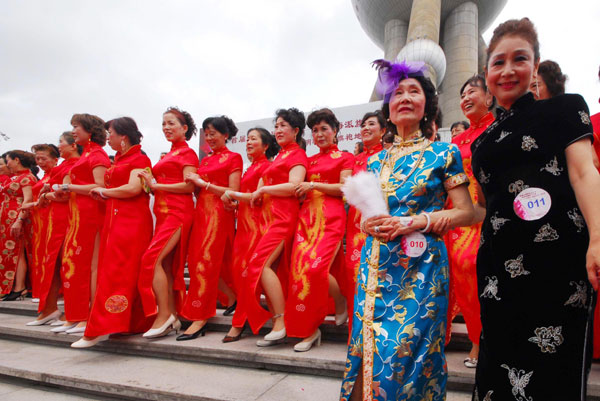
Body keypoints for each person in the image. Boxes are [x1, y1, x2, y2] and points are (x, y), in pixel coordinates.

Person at [471, 18, 600, 400]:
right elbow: (488, 206)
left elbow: (584, 174)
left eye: (519, 59)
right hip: (497, 266)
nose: (508, 70)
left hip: (557, 262)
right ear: (487, 72)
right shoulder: (483, 142)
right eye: (498, 62)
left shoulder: (564, 109)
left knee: (552, 372)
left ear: (535, 65)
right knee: (498, 366)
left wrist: (598, 238)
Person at [340, 59, 474, 401]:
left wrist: (416, 221)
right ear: (388, 106)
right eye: (397, 92)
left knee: (411, 355)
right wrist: (366, 222)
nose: (405, 97)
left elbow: (466, 212)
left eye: (414, 91)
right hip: (375, 267)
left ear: (426, 104)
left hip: (422, 269)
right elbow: (361, 218)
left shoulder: (444, 152)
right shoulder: (374, 160)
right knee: (365, 349)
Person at [72, 117, 153, 348]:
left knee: (119, 271)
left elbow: (134, 188)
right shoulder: (118, 160)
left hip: (131, 222)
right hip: (115, 219)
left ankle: (99, 328)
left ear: (123, 137)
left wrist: (104, 192)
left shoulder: (140, 158)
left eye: (111, 133)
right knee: (118, 270)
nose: (109, 137)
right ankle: (126, 323)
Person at [285, 108, 353, 352]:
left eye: (325, 129)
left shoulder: (345, 157)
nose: (320, 134)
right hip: (306, 218)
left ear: (335, 131)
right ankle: (309, 330)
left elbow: (345, 189)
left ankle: (340, 299)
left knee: (315, 270)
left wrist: (313, 183)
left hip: (331, 218)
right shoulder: (308, 159)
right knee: (299, 273)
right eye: (315, 130)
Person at [246, 108, 308, 345]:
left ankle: (280, 321)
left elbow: (294, 186)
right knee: (271, 270)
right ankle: (281, 321)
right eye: (277, 125)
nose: (279, 130)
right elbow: (262, 188)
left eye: (284, 126)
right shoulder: (280, 156)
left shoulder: (297, 155)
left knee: (259, 265)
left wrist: (263, 189)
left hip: (284, 218)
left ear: (296, 130)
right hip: (268, 219)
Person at [444, 74, 494, 368]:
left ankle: (482, 341)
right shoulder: (456, 142)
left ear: (489, 97)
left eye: (472, 92)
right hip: (459, 216)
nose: (465, 98)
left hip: (488, 214)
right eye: (461, 94)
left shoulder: (498, 129)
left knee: (474, 271)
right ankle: (475, 337)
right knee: (460, 277)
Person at [177, 116, 242, 341]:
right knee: (199, 261)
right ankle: (234, 298)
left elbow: (232, 191)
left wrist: (203, 183)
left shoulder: (234, 157)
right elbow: (197, 190)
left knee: (204, 261)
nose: (209, 137)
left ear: (226, 135)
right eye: (207, 133)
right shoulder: (204, 161)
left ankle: (199, 316)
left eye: (214, 133)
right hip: (201, 214)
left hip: (219, 214)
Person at [138, 107, 198, 338]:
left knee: (151, 260)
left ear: (184, 128)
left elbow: (189, 186)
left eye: (171, 123)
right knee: (166, 265)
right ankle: (172, 313)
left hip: (178, 213)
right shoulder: (169, 155)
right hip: (162, 214)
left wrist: (156, 185)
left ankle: (164, 314)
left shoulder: (188, 154)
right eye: (164, 124)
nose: (166, 128)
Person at [51, 114, 111, 334]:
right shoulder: (86, 154)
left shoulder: (98, 155)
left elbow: (99, 186)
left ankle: (88, 316)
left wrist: (69, 188)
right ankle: (74, 315)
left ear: (89, 129)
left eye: (76, 127)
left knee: (87, 266)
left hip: (91, 214)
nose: (73, 131)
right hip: (76, 215)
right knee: (72, 265)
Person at [221, 127, 278, 343]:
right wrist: (233, 205)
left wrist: (233, 195)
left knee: (249, 274)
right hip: (243, 227)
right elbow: (246, 199)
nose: (248, 142)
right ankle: (269, 317)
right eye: (247, 139)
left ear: (265, 145)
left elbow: (259, 199)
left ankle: (239, 323)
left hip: (258, 227)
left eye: (253, 139)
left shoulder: (267, 168)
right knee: (239, 273)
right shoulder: (250, 169)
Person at [27, 132, 81, 326]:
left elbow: (66, 193)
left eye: (61, 142)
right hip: (52, 219)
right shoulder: (63, 166)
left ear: (74, 145)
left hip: (66, 217)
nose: (59, 146)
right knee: (51, 264)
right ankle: (49, 308)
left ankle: (70, 311)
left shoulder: (76, 164)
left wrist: (47, 196)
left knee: (65, 263)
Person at [344, 111, 385, 335]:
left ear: (383, 130)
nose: (366, 128)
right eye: (363, 125)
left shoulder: (387, 156)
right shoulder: (354, 160)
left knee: (375, 274)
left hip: (377, 221)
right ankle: (355, 332)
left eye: (371, 124)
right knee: (353, 273)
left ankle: (375, 332)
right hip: (354, 225)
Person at [0, 151, 37, 300]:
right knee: (10, 252)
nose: (7, 164)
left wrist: (19, 220)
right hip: (7, 220)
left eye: (8, 160)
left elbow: (27, 200)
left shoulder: (27, 177)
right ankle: (12, 286)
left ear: (16, 160)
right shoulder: (16, 177)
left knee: (18, 251)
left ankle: (19, 286)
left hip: (17, 218)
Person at [26, 144, 59, 301]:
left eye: (43, 158)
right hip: (39, 219)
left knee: (50, 253)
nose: (39, 162)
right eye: (37, 158)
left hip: (51, 217)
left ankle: (51, 292)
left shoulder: (57, 175)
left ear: (55, 159)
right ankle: (41, 290)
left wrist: (32, 204)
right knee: (40, 253)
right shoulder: (45, 176)